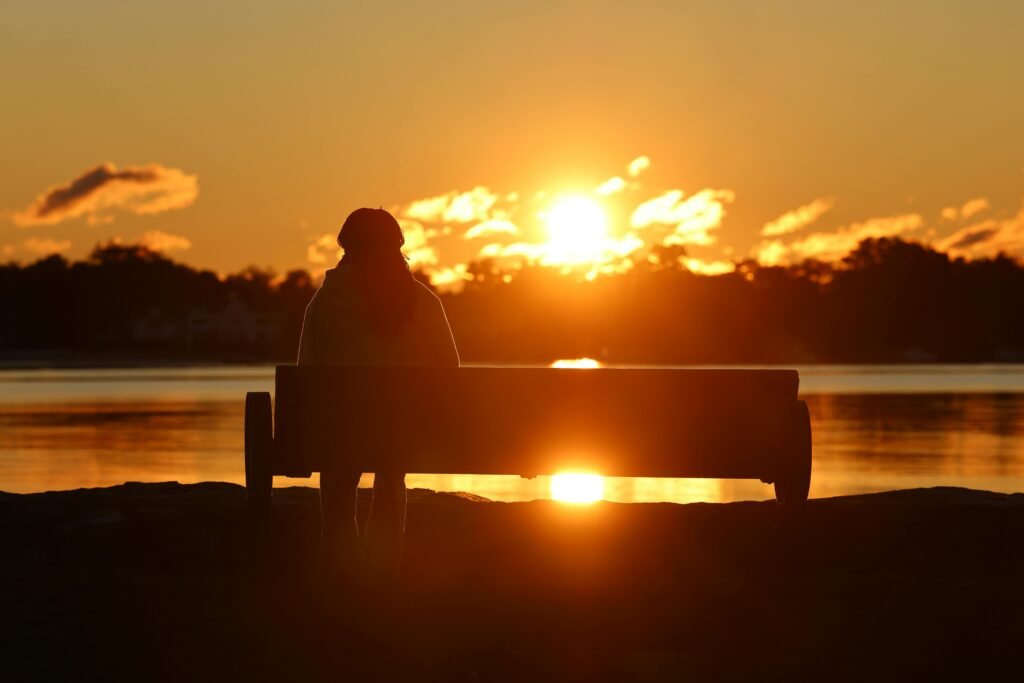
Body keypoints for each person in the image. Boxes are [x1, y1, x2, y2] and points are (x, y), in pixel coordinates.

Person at [297, 207, 460, 582]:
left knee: (338, 470)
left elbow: (307, 378)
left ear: (346, 247)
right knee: (392, 466)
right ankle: (383, 572)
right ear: (396, 246)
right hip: (403, 433)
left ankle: (339, 569)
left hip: (340, 432)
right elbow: (450, 370)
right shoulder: (422, 302)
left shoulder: (325, 303)